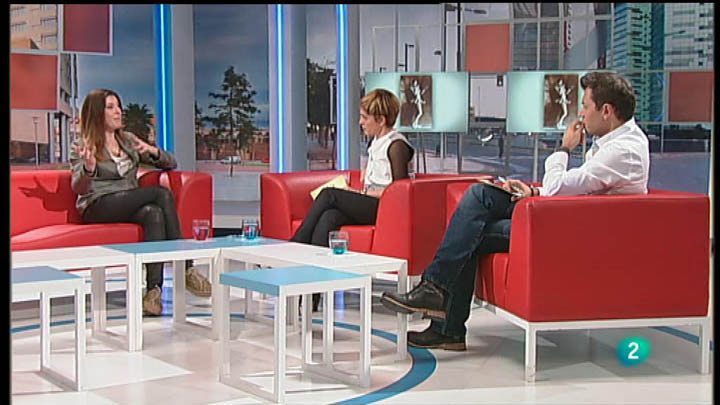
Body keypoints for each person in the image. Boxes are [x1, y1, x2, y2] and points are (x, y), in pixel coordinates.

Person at [380, 72, 650, 350]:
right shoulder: (614, 143)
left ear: (606, 111)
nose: (581, 113)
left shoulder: (623, 150)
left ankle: (442, 310)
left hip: (572, 230)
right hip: (565, 217)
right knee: (480, 197)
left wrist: (564, 148)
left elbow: (558, 186)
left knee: (469, 228)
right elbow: (576, 190)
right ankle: (441, 310)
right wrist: (533, 192)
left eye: (585, 105)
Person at [70, 88, 212, 316]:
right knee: (160, 194)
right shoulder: (84, 144)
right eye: (110, 107)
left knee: (153, 213)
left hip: (127, 202)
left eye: (118, 106)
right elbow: (79, 188)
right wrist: (89, 168)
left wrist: (151, 150)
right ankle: (186, 267)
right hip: (98, 205)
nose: (118, 112)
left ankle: (153, 292)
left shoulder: (127, 141)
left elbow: (171, 163)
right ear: (97, 113)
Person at [291, 88, 415, 311]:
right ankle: (311, 297)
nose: (360, 122)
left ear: (381, 119)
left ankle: (294, 246)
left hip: (386, 210)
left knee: (329, 195)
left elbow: (400, 193)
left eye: (365, 118)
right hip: (372, 202)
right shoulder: (377, 142)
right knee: (329, 217)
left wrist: (362, 194)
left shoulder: (397, 145)